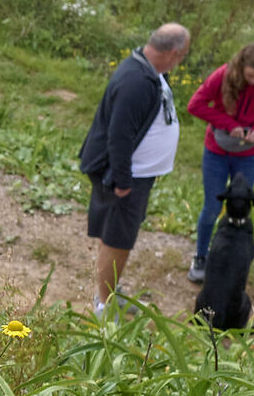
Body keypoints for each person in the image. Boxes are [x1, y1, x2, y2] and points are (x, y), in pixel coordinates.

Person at [76, 23, 190, 317]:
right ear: (174, 52)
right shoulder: (135, 81)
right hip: (127, 178)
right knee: (117, 240)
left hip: (138, 175)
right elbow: (119, 134)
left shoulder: (149, 71)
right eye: (184, 55)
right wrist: (123, 179)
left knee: (119, 238)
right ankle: (104, 305)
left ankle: (110, 291)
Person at [184, 41, 254, 284]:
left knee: (241, 208)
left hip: (248, 155)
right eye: (251, 74)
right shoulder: (222, 76)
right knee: (212, 207)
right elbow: (194, 105)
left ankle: (234, 257)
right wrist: (229, 125)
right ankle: (201, 257)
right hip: (217, 151)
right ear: (241, 66)